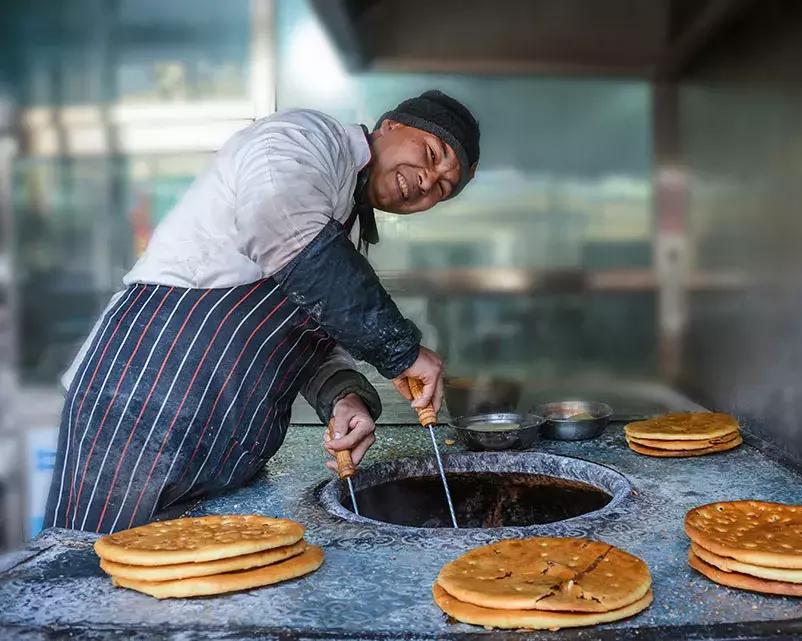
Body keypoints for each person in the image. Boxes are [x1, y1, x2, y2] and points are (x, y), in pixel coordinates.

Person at [43, 90, 480, 533]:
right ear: (390, 125)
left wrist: (345, 398)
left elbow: (305, 335)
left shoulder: (340, 228)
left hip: (226, 450)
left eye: (443, 189)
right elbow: (280, 223)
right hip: (141, 411)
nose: (428, 181)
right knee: (91, 573)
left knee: (193, 594)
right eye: (430, 154)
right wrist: (401, 351)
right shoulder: (304, 139)